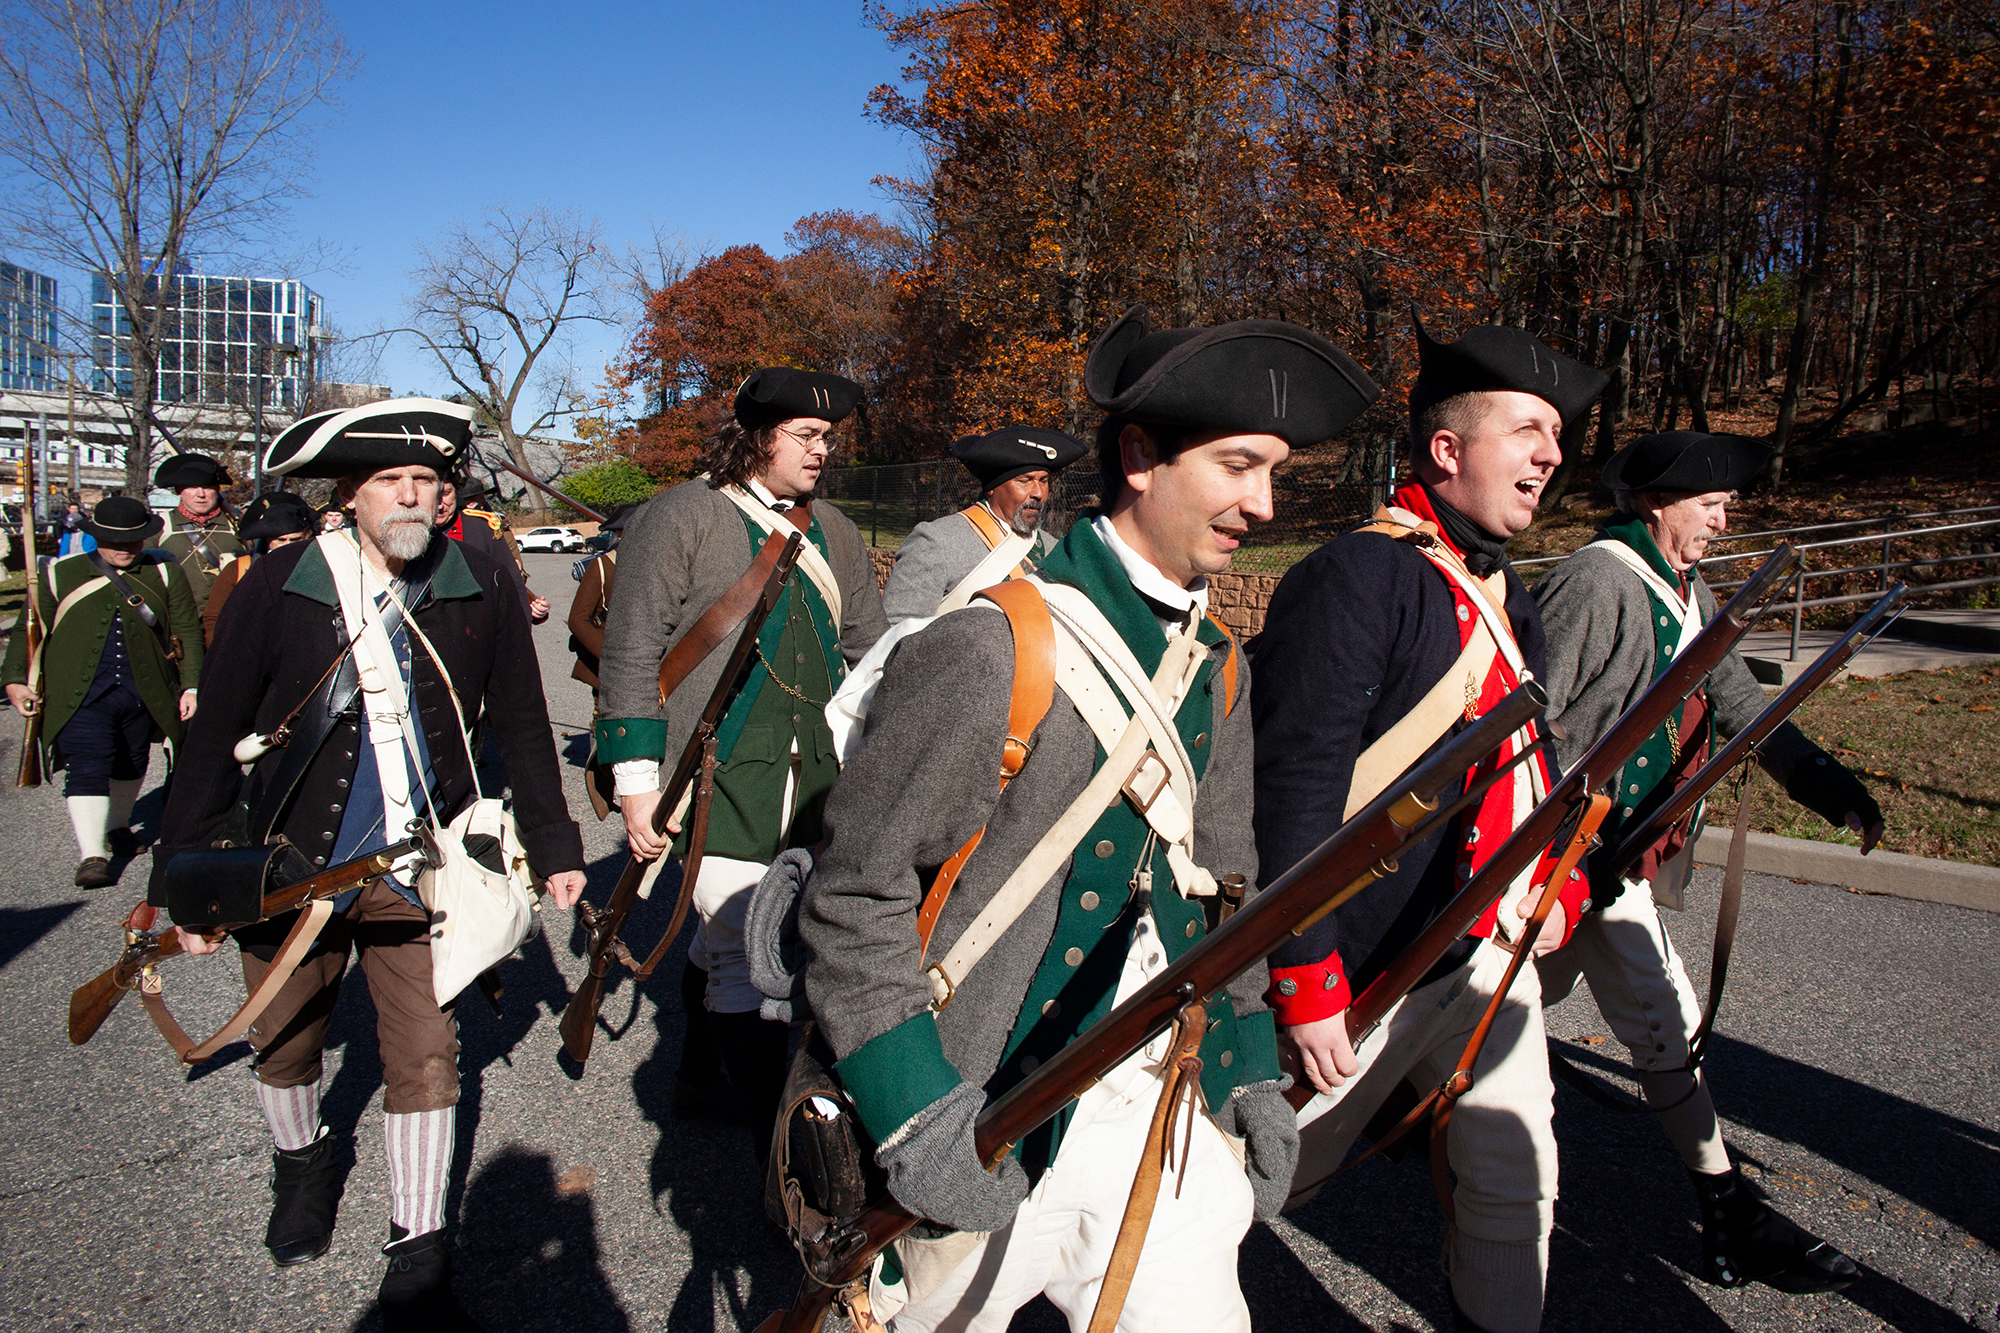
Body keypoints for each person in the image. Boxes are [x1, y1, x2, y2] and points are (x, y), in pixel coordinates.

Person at [799, 306, 1379, 1332]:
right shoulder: (993, 648)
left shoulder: (1220, 668)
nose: (1265, 503)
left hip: (1158, 1101)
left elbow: (1229, 877)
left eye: (1274, 472)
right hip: (983, 1101)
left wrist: (1245, 1062)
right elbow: (854, 895)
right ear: (1140, 456)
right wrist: (912, 1103)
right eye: (1239, 465)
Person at [150, 396, 585, 1329]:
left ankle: (419, 1244)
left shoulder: (482, 573)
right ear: (349, 494)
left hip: (418, 867)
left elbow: (519, 717)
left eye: (428, 480)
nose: (414, 497)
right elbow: (215, 731)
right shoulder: (279, 584)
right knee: (287, 1040)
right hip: (290, 866)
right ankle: (302, 1165)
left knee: (426, 1057)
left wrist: (554, 847)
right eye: (393, 479)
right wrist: (179, 880)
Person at [1253, 316, 1608, 1333]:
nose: (1549, 453)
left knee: (1513, 1182)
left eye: (1552, 433)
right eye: (1525, 430)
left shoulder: (1504, 589)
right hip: (1364, 964)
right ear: (1445, 450)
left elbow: (1523, 767)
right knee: (1241, 1187)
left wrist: (1553, 875)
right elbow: (1293, 793)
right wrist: (1302, 971)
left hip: (1478, 953)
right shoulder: (1357, 575)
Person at [1531, 429, 1878, 1294]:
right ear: (1659, 504)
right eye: (1712, 504)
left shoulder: (1686, 588)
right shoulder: (1599, 579)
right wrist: (1535, 867)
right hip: (1557, 859)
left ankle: (1728, 1213)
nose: (1724, 520)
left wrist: (1822, 780)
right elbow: (1527, 726)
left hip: (1606, 864)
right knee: (1631, 1018)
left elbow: (1741, 704)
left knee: (1619, 1017)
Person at [594, 366, 888, 1160]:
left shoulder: (838, 532)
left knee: (732, 934)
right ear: (758, 437)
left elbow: (868, 651)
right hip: (715, 767)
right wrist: (637, 785)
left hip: (815, 771)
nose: (821, 451)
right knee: (746, 958)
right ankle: (781, 1158)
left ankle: (694, 1073)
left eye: (827, 437)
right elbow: (631, 652)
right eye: (806, 435)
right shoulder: (682, 514)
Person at [3, 496, 203, 887]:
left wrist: (192, 684)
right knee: (88, 762)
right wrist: (15, 679)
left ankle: (117, 828)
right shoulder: (58, 574)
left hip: (143, 689)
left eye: (133, 541)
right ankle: (91, 855)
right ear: (96, 537)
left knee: (131, 761)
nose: (124, 549)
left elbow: (188, 631)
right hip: (79, 691)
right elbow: (28, 633)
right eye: (114, 541)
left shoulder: (164, 573)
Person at [881, 425, 1088, 623]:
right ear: (992, 488)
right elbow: (896, 635)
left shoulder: (1054, 549)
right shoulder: (937, 542)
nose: (1039, 493)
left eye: (1043, 481)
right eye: (1025, 480)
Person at [566, 504, 630, 821]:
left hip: (644, 662)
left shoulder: (650, 568)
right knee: (606, 727)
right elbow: (578, 620)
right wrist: (610, 658)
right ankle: (604, 789)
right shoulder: (602, 567)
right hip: (608, 664)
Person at [200, 491, 318, 644]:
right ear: (267, 540)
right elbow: (214, 618)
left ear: (307, 536)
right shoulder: (238, 569)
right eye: (281, 540)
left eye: (295, 539)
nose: (288, 545)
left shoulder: (320, 567)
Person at [437, 473, 549, 623]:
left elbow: (513, 581)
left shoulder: (487, 528)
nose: (440, 504)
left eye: (446, 493)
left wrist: (531, 609)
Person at [154, 452, 244, 605]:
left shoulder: (238, 526)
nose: (201, 494)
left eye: (208, 487)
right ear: (178, 491)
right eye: (193, 487)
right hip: (178, 619)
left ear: (217, 490)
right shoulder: (160, 525)